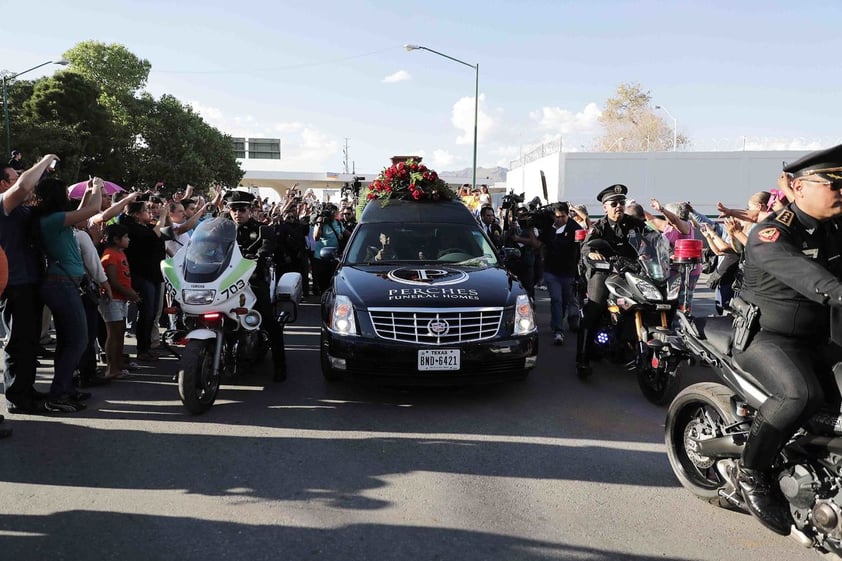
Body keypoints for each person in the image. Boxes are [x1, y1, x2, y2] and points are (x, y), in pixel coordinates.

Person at [726, 144, 842, 536]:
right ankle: (752, 472)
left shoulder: (836, 227)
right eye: (834, 182)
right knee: (800, 396)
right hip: (769, 338)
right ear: (797, 187)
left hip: (821, 336)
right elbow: (818, 281)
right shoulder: (772, 233)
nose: (841, 190)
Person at [32, 176, 105, 411]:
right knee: (79, 340)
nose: (68, 197)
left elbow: (84, 209)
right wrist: (98, 189)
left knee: (68, 340)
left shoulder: (54, 219)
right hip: (61, 284)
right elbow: (92, 209)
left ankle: (65, 388)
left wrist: (92, 189)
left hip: (63, 283)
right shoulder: (53, 220)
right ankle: (58, 394)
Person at [1, 155, 60, 415]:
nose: (18, 181)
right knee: (17, 343)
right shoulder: (4, 205)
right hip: (14, 284)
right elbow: (24, 186)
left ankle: (27, 388)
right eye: (12, 178)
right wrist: (45, 159)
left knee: (30, 343)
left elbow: (30, 188)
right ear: (3, 185)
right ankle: (16, 396)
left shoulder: (23, 209)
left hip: (31, 281)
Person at [576, 184, 647, 378]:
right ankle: (582, 359)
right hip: (605, 272)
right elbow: (585, 248)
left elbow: (654, 239)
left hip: (632, 272)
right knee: (594, 307)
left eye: (621, 203)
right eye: (614, 203)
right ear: (605, 208)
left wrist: (665, 253)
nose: (618, 207)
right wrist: (591, 252)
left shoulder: (636, 224)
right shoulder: (600, 227)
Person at [224, 190, 287, 381]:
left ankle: (280, 367)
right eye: (233, 209)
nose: (237, 213)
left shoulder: (262, 230)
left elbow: (267, 248)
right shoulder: (222, 230)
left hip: (253, 282)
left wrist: (261, 254)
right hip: (225, 283)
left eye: (241, 209)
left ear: (250, 210)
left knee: (269, 322)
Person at [119, 200, 166, 362]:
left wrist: (165, 217)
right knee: (146, 312)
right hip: (142, 275)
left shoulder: (148, 226)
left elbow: (168, 233)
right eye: (146, 210)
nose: (150, 212)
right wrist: (163, 216)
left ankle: (146, 346)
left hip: (154, 274)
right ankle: (142, 349)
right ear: (136, 214)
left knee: (152, 313)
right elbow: (153, 237)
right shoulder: (133, 229)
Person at [99, 223, 140, 379]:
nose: (128, 239)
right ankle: (111, 368)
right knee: (114, 333)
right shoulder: (109, 256)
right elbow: (113, 282)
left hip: (121, 299)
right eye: (125, 237)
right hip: (112, 299)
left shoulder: (120, 253)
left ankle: (118, 364)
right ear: (116, 239)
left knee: (120, 331)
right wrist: (131, 294)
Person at [538, 202, 582, 346]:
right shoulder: (549, 228)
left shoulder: (575, 228)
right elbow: (539, 243)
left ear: (567, 215)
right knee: (556, 299)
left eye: (562, 216)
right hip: (551, 271)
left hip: (568, 272)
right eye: (557, 217)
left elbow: (582, 245)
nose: (559, 219)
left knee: (563, 301)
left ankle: (556, 322)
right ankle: (558, 330)